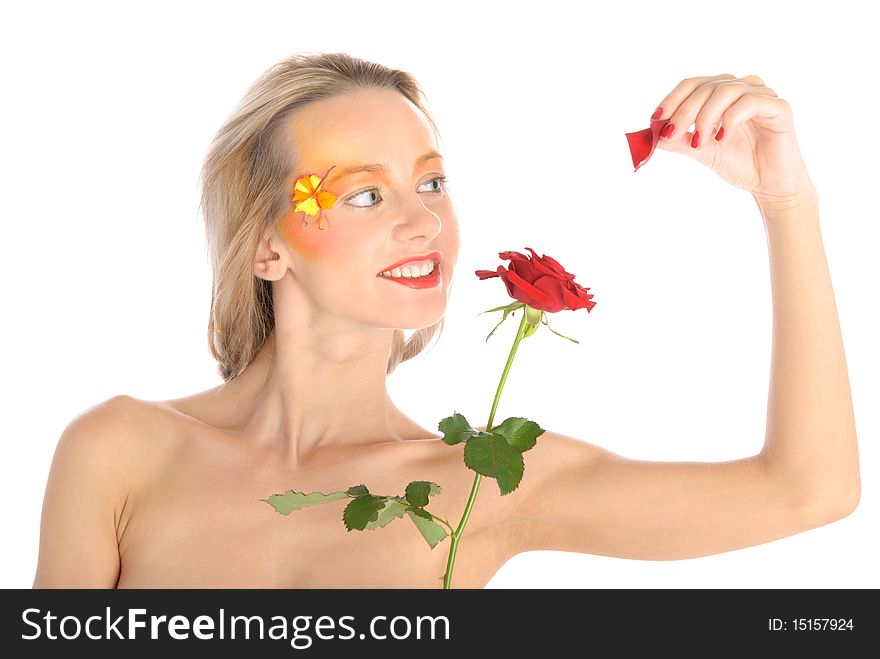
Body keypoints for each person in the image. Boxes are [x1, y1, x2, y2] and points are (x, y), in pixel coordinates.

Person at [32, 54, 860, 588]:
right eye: (365, 193)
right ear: (266, 249)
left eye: (430, 183)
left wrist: (786, 202)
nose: (424, 223)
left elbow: (807, 492)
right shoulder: (119, 453)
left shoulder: (485, 483)